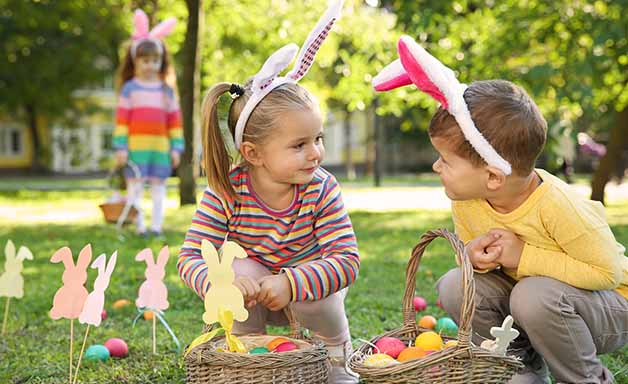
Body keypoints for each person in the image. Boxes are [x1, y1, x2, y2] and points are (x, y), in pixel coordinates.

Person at [372, 35, 628, 384]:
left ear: (493, 176)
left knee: (532, 295)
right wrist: (474, 258)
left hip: (609, 306)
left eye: (445, 160)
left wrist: (522, 255)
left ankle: (586, 378)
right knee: (456, 284)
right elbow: (487, 269)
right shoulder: (467, 200)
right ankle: (517, 371)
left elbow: (606, 273)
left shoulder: (560, 206)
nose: (436, 167)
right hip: (537, 307)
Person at [178, 2, 360, 383]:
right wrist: (219, 284)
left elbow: (346, 260)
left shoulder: (321, 188)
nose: (316, 153)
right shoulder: (228, 189)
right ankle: (251, 357)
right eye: (299, 145)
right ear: (253, 154)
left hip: (309, 296)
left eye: (318, 139)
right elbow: (191, 256)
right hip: (254, 297)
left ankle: (337, 359)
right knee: (234, 266)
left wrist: (290, 282)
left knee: (319, 297)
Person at [112, 9, 183, 237]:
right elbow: (122, 121)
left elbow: (175, 122)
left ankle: (156, 226)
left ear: (161, 62)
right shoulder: (129, 89)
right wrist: (121, 147)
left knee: (159, 189)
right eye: (145, 61)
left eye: (155, 60)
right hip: (136, 149)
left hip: (159, 149)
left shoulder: (166, 90)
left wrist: (176, 148)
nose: (150, 65)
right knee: (135, 188)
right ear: (135, 61)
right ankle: (140, 226)